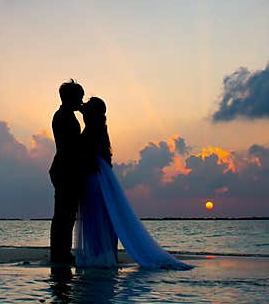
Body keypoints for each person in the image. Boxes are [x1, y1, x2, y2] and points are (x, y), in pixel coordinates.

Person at [75, 97, 192, 270]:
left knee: (97, 215)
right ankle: (105, 254)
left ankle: (101, 255)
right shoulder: (98, 126)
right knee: (104, 216)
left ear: (92, 112)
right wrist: (81, 107)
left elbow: (88, 151)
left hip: (94, 177)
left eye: (88, 107)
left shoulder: (93, 129)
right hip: (99, 174)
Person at [49, 79, 85, 265]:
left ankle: (61, 252)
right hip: (65, 170)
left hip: (64, 168)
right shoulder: (63, 117)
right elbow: (71, 146)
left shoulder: (66, 115)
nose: (81, 102)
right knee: (64, 214)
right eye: (79, 98)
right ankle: (59, 253)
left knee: (66, 214)